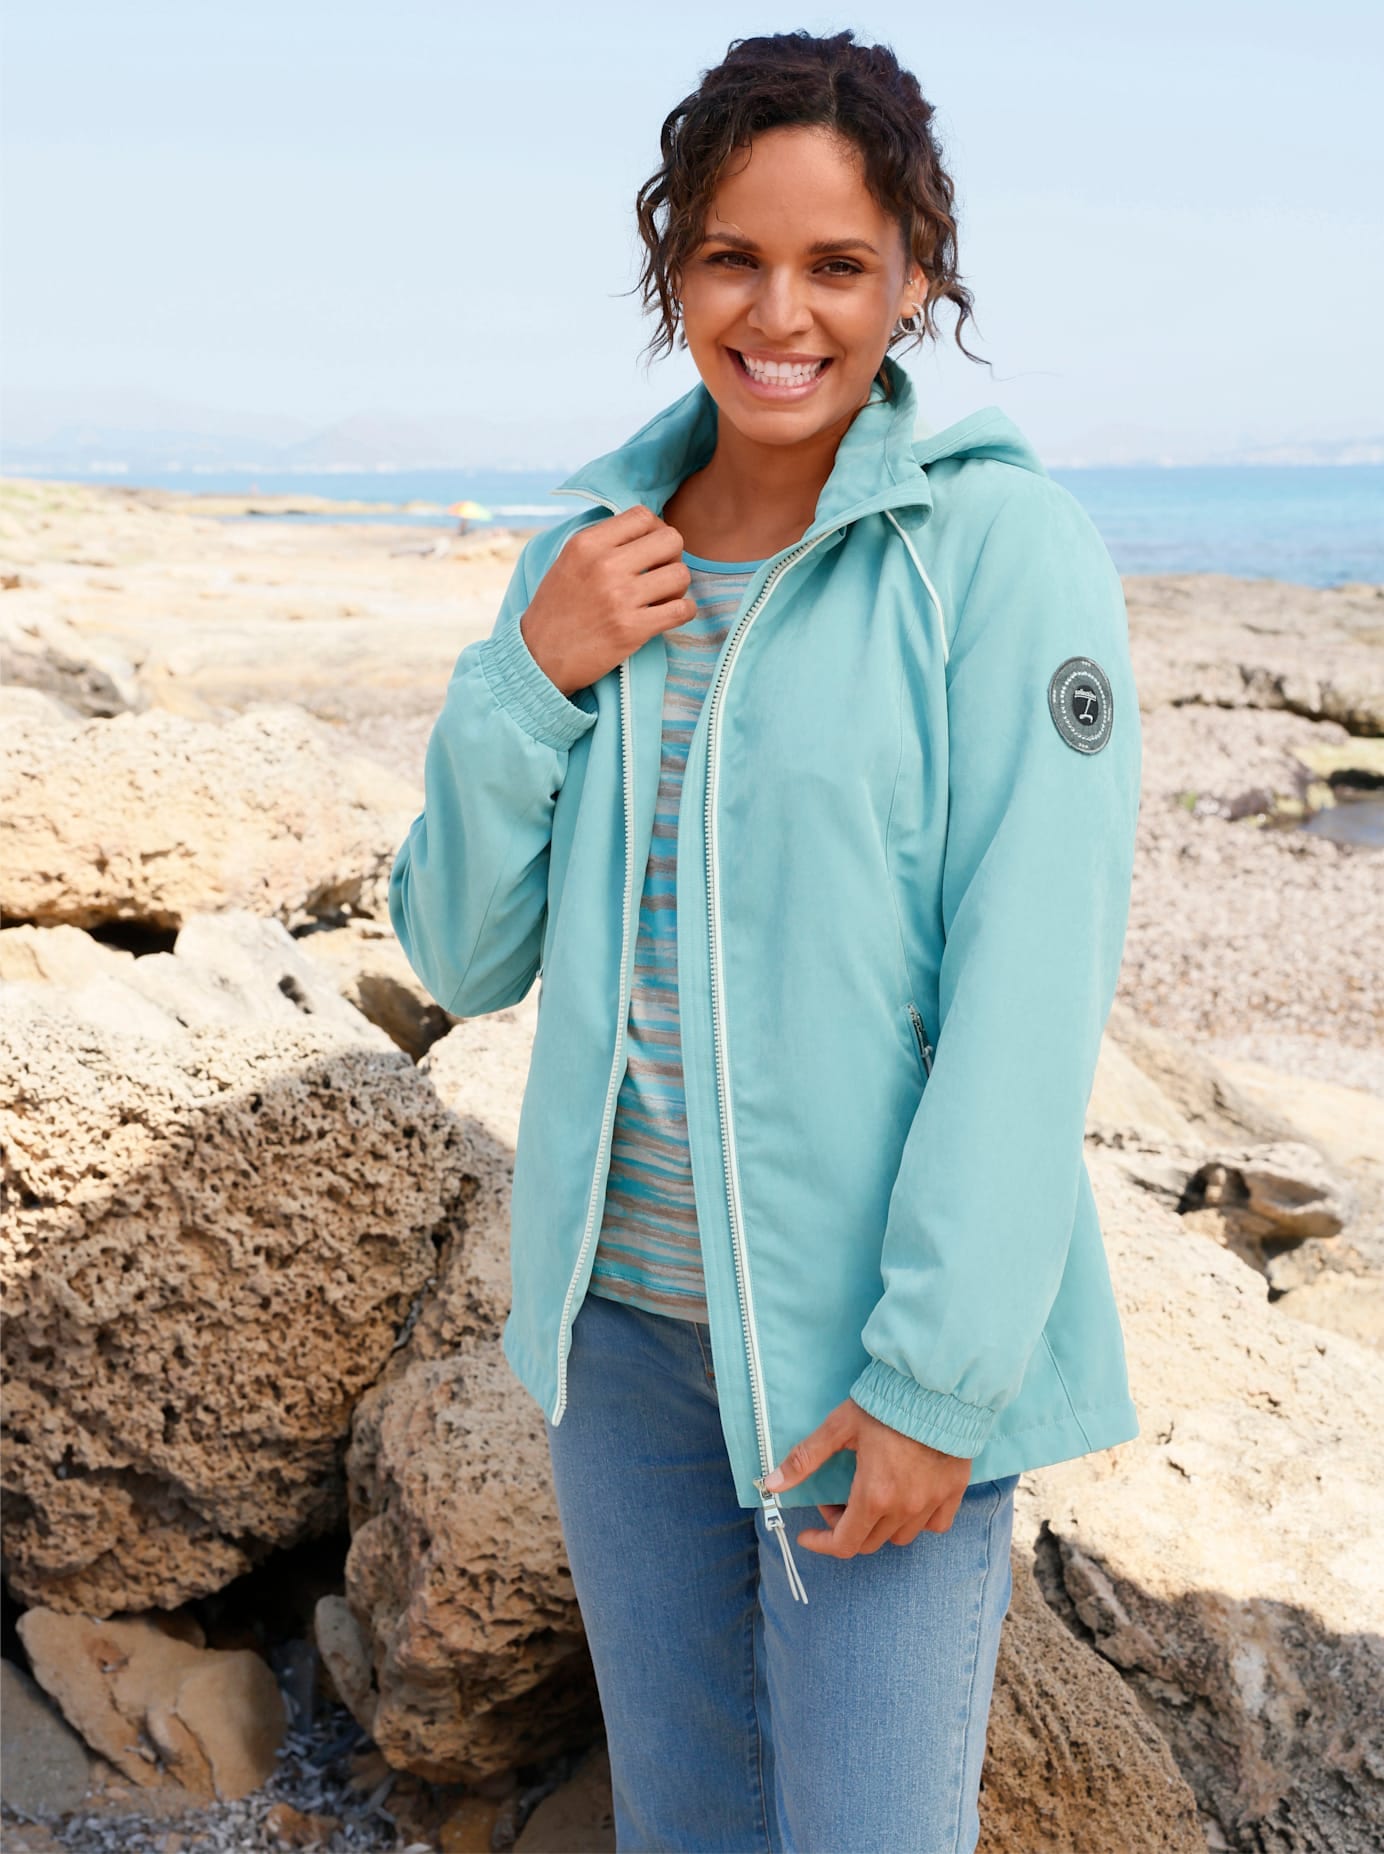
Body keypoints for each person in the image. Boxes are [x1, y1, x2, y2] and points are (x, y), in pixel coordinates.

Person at [389, 27, 1142, 1854]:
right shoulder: (588, 561)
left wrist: (935, 1381)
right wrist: (533, 675)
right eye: (733, 255)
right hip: (621, 1349)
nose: (780, 312)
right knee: (686, 1829)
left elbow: (1029, 994)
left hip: (858, 1356)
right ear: (675, 267)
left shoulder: (1003, 554)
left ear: (915, 280)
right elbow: (458, 954)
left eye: (838, 264)